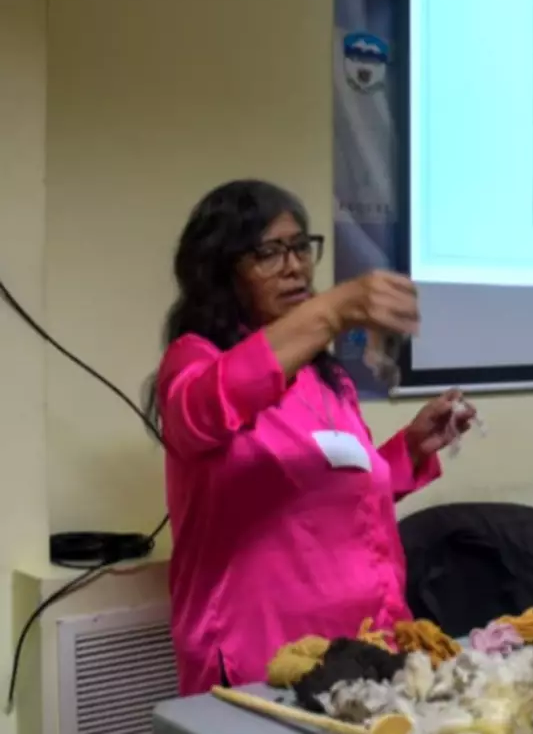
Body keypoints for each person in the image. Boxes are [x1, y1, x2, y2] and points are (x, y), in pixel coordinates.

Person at [146, 179, 476, 695]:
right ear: (220, 270)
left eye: (300, 247)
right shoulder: (195, 360)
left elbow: (333, 499)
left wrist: (409, 449)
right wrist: (331, 311)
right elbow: (202, 413)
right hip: (261, 655)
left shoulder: (326, 377)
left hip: (365, 640)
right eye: (268, 253)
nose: (295, 266)